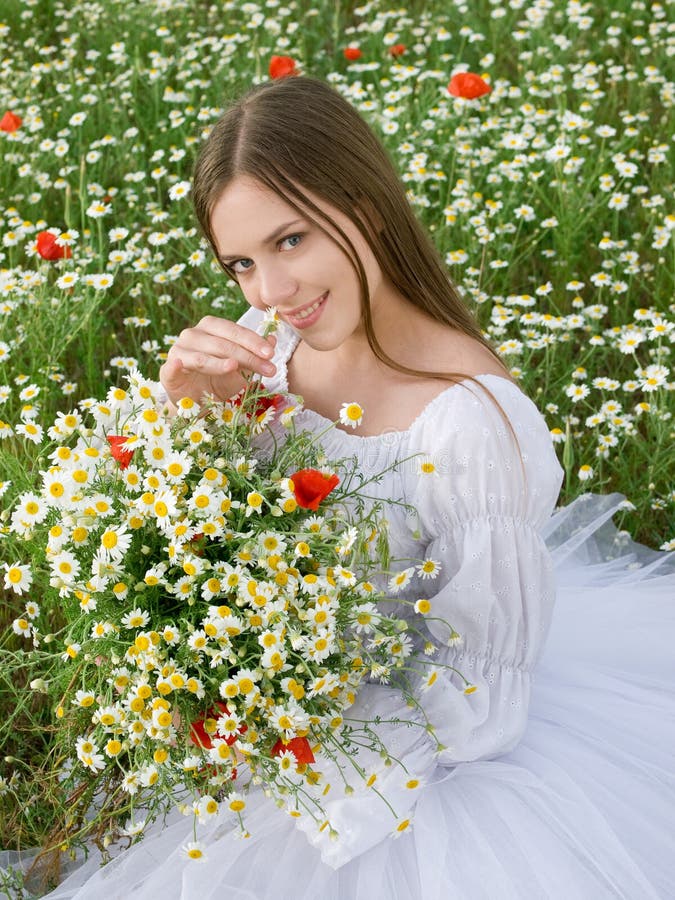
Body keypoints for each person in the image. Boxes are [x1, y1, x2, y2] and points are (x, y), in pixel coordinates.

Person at [43, 76, 674, 899]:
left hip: (408, 771)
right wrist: (187, 427)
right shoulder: (266, 348)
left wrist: (282, 734)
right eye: (241, 262)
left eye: (292, 241)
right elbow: (208, 544)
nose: (270, 292)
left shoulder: (470, 426)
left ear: (365, 206)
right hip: (278, 698)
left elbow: (477, 694)